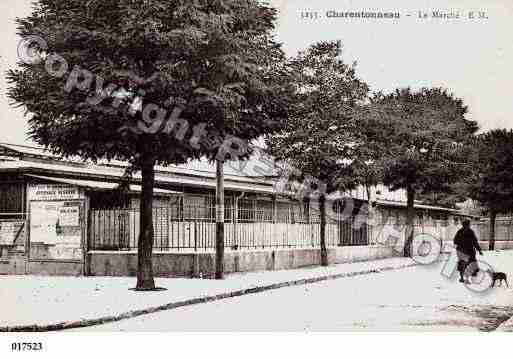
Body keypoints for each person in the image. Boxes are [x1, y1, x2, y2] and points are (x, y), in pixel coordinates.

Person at [453, 219, 483, 283]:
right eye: (468, 225)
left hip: (466, 251)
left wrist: (479, 250)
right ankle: (464, 277)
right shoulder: (464, 232)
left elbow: (475, 242)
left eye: (468, 225)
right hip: (465, 251)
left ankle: (469, 276)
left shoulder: (463, 232)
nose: (468, 226)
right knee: (465, 263)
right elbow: (455, 241)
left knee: (468, 263)